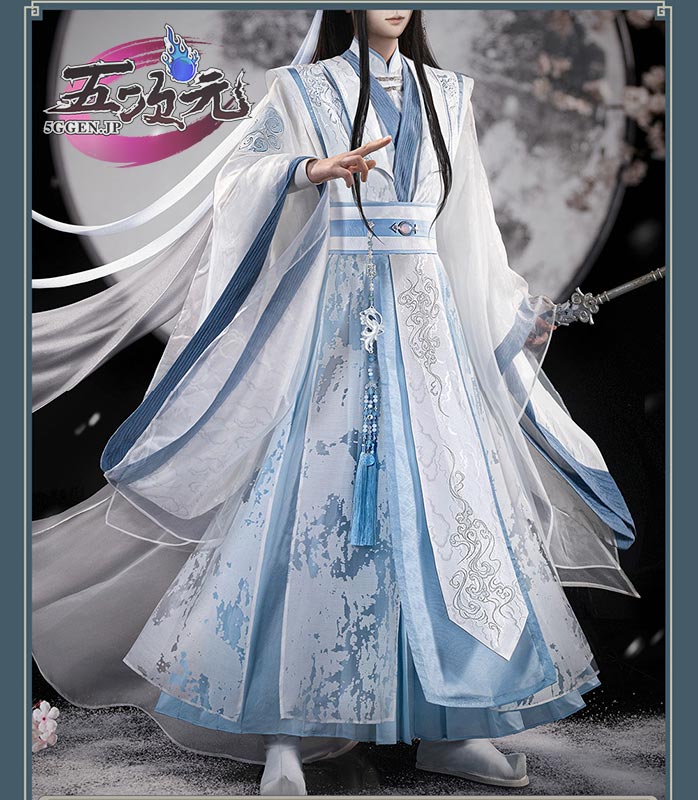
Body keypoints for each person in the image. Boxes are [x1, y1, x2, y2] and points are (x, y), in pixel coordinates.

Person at [32, 8, 640, 796]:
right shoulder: (302, 90)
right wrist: (306, 171)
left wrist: (513, 311)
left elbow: (471, 231)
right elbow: (236, 180)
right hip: (338, 322)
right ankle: (285, 733)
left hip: (426, 329)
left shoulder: (450, 95)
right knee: (310, 512)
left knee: (448, 511)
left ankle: (455, 727)